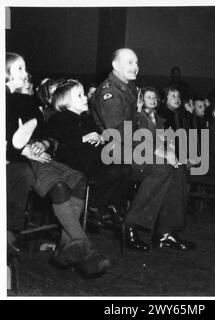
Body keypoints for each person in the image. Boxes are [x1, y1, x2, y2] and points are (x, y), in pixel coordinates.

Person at [6, 52, 109, 275]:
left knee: (79, 180)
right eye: (20, 70)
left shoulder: (28, 105)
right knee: (60, 187)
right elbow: (12, 140)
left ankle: (66, 246)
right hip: (23, 162)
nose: (26, 75)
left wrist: (43, 143)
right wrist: (25, 149)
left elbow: (48, 136)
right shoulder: (8, 102)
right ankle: (85, 248)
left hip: (42, 156)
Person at [91, 48, 195, 251]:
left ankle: (166, 232)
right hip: (114, 151)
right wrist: (155, 150)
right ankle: (130, 225)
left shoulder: (128, 88)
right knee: (163, 166)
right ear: (115, 65)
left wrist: (160, 145)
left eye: (136, 62)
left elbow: (138, 123)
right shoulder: (109, 92)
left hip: (132, 146)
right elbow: (119, 132)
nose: (135, 67)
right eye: (129, 62)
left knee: (178, 165)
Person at [47, 79, 131, 213]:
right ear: (65, 101)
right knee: (114, 166)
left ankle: (103, 205)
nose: (85, 97)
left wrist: (101, 138)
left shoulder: (88, 118)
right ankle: (94, 205)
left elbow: (100, 135)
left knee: (124, 167)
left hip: (93, 160)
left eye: (84, 94)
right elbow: (60, 144)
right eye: (79, 95)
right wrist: (83, 138)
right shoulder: (59, 118)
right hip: (73, 162)